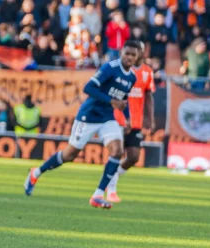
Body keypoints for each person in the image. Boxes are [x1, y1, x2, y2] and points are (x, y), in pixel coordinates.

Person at [24, 40, 141, 209]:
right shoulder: (110, 68)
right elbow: (89, 88)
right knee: (69, 155)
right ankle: (36, 172)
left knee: (117, 151)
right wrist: (111, 101)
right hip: (89, 116)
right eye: (127, 53)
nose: (129, 57)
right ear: (121, 52)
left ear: (137, 57)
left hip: (107, 118)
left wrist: (127, 117)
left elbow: (124, 99)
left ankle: (98, 195)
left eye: (133, 55)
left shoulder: (132, 77)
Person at [107, 42, 154, 202]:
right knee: (117, 153)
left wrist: (150, 118)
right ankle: (111, 191)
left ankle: (113, 176)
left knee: (134, 157)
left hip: (136, 120)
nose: (136, 54)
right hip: (119, 119)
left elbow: (148, 96)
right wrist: (121, 117)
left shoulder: (147, 72)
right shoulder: (122, 70)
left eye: (139, 51)